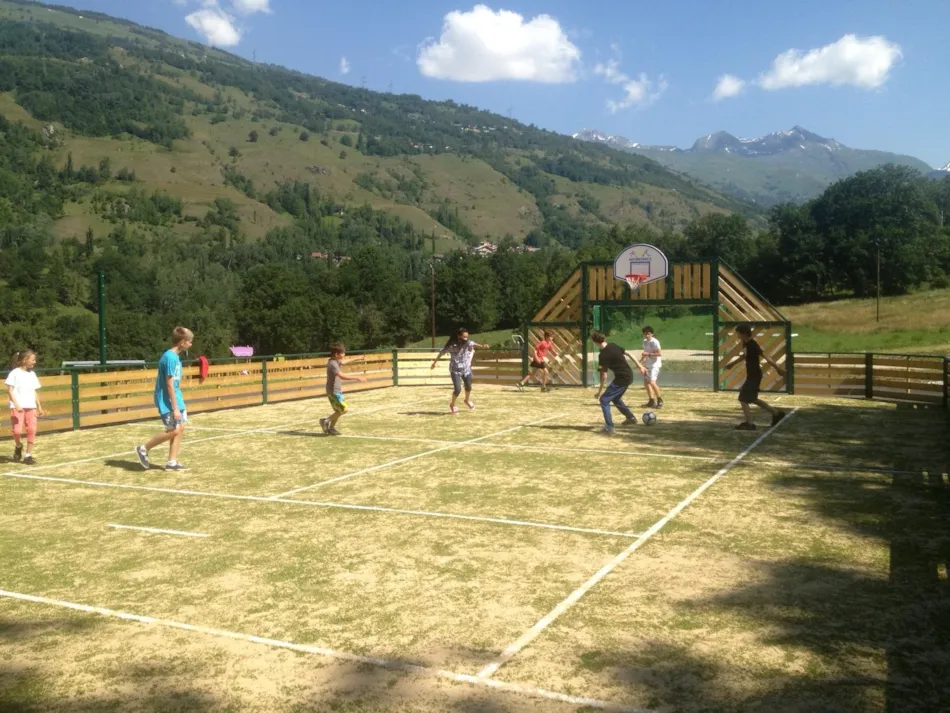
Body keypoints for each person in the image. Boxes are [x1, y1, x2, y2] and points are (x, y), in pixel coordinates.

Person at [135, 327, 193, 471]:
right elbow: (169, 384)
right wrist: (174, 408)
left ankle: (171, 462)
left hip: (176, 398)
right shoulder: (169, 358)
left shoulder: (175, 357)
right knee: (173, 430)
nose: (191, 344)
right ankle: (143, 449)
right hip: (167, 401)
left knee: (180, 428)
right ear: (182, 342)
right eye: (189, 342)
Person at [723, 324, 786, 431]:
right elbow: (744, 356)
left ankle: (750, 424)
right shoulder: (745, 343)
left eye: (738, 334)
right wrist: (732, 363)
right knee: (752, 399)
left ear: (743, 334)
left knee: (743, 398)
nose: (737, 336)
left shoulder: (752, 344)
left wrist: (778, 369)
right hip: (752, 375)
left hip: (755, 376)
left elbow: (766, 356)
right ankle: (777, 414)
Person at [592, 332, 647, 434]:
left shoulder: (603, 355)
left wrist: (599, 392)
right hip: (628, 375)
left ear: (595, 342)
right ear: (604, 339)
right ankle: (630, 418)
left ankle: (609, 427)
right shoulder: (613, 345)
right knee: (615, 398)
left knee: (604, 400)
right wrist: (640, 366)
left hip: (622, 379)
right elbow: (629, 353)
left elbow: (604, 376)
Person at [430, 328, 489, 414]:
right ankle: (452, 405)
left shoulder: (467, 343)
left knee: (468, 387)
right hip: (455, 370)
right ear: (459, 336)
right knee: (458, 389)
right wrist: (435, 362)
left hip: (466, 369)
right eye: (464, 337)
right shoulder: (451, 346)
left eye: (467, 337)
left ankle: (466, 400)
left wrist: (483, 346)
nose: (466, 339)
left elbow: (473, 343)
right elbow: (441, 353)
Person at [6, 350, 44, 464]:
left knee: (32, 429)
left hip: (31, 406)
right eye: (32, 360)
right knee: (17, 431)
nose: (34, 362)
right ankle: (18, 445)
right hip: (17, 407)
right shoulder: (14, 373)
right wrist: (17, 405)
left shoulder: (32, 374)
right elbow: (10, 391)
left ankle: (28, 455)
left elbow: (34, 391)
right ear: (24, 360)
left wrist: (39, 406)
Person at [320, 342, 367, 436]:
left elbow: (344, 362)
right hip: (333, 392)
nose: (344, 354)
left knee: (338, 411)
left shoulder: (335, 361)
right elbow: (342, 376)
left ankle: (332, 428)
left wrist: (357, 358)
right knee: (344, 409)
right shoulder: (333, 364)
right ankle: (326, 421)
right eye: (342, 353)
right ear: (336, 354)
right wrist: (357, 377)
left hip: (337, 391)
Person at [640, 326, 664, 408]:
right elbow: (645, 352)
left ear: (652, 334)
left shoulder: (655, 342)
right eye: (645, 334)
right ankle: (651, 401)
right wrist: (640, 362)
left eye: (648, 334)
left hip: (655, 365)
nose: (647, 335)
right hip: (648, 365)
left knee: (652, 382)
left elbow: (659, 354)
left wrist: (648, 354)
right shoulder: (645, 341)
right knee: (646, 383)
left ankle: (660, 400)